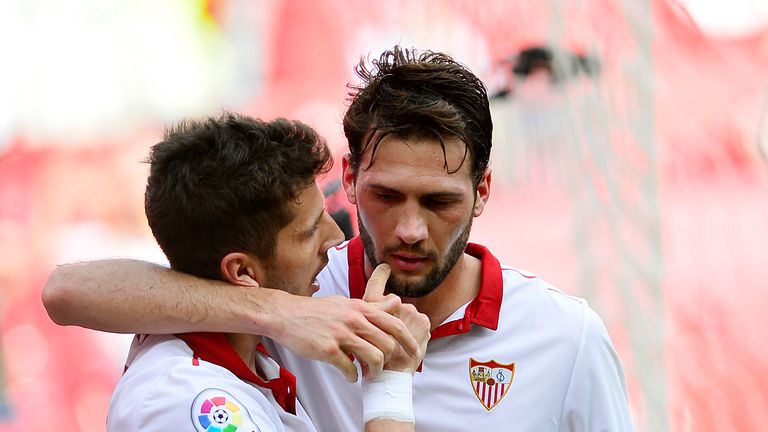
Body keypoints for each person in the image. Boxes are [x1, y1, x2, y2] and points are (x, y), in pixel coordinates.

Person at [43, 46, 634, 431]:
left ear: (482, 192)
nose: (408, 229)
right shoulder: (297, 291)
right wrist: (275, 315)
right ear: (348, 178)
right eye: (386, 196)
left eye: (439, 202)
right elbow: (69, 291)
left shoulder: (567, 339)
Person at [102, 114, 430, 432]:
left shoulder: (256, 356)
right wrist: (391, 384)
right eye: (311, 230)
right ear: (242, 271)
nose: (335, 238)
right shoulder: (188, 400)